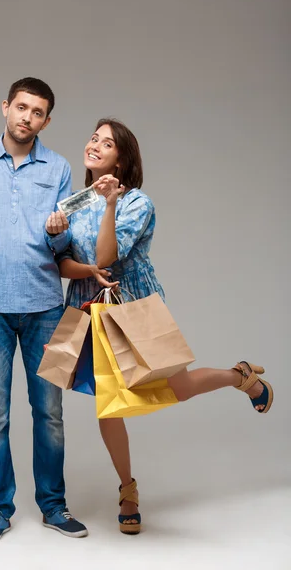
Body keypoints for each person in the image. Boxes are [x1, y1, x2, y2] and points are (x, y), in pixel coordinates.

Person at [45, 118, 273, 535]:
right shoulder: (74, 200)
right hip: (86, 309)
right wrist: (55, 230)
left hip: (131, 308)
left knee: (175, 387)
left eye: (107, 143)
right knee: (107, 403)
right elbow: (62, 263)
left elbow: (109, 256)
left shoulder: (137, 202)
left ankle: (237, 377)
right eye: (93, 137)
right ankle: (128, 490)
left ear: (123, 158)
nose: (94, 145)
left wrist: (110, 206)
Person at [0, 77, 88, 544]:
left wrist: (57, 231)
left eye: (38, 112)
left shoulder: (60, 168)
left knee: (49, 411)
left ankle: (53, 505)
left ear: (47, 120)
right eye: (21, 107)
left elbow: (64, 245)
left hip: (45, 306)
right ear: (5, 107)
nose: (27, 117)